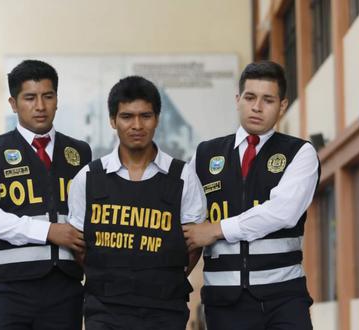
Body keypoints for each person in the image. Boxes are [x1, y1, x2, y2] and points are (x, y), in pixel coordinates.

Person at [182, 60, 320, 330]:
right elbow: (184, 219)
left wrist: (218, 229)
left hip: (284, 298)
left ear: (282, 105)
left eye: (268, 100)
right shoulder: (205, 155)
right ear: (238, 99)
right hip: (224, 303)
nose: (257, 107)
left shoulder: (299, 153)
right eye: (250, 97)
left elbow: (283, 212)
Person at [67, 76, 206, 330]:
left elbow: (193, 245)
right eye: (127, 116)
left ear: (157, 119)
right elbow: (78, 243)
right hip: (104, 309)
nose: (137, 125)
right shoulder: (88, 178)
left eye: (145, 115)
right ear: (113, 121)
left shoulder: (182, 176)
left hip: (164, 309)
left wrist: (159, 279)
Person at [0, 59, 91, 330]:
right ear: (13, 103)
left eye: (47, 96)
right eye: (30, 98)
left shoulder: (80, 153)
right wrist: (48, 231)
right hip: (9, 290)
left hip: (65, 288)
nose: (40, 106)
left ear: (57, 100)